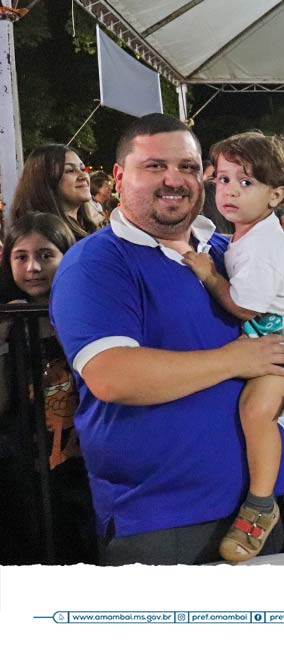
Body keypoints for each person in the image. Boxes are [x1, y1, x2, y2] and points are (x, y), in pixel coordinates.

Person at [49, 113, 284, 565]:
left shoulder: (227, 252)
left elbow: (281, 332)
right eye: (154, 166)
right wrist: (236, 360)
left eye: (187, 166)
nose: (174, 179)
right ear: (121, 177)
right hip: (161, 520)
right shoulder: (97, 263)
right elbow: (113, 375)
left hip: (255, 512)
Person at [181, 131, 284, 562]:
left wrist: (208, 275)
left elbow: (242, 305)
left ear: (277, 194)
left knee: (255, 411)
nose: (229, 191)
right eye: (223, 180)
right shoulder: (246, 235)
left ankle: (260, 507)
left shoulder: (261, 247)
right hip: (272, 342)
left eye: (246, 183)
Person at [0, 212, 98, 565]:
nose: (33, 268)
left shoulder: (83, 310)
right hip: (22, 462)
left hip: (81, 459)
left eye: (46, 255)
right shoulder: (8, 316)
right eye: (21, 256)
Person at [11, 144, 99, 240]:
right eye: (70, 170)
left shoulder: (88, 229)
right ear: (45, 181)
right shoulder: (42, 238)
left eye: (82, 169)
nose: (83, 176)